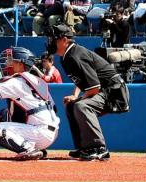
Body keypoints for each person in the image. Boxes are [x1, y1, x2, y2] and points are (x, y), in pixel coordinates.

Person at [50, 23, 128, 161]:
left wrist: (79, 99)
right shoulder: (66, 56)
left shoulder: (75, 55)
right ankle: (85, 147)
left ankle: (99, 148)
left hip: (114, 91)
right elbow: (81, 80)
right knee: (71, 105)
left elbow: (94, 87)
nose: (50, 42)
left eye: (54, 39)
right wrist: (75, 95)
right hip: (105, 90)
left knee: (82, 106)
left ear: (64, 40)